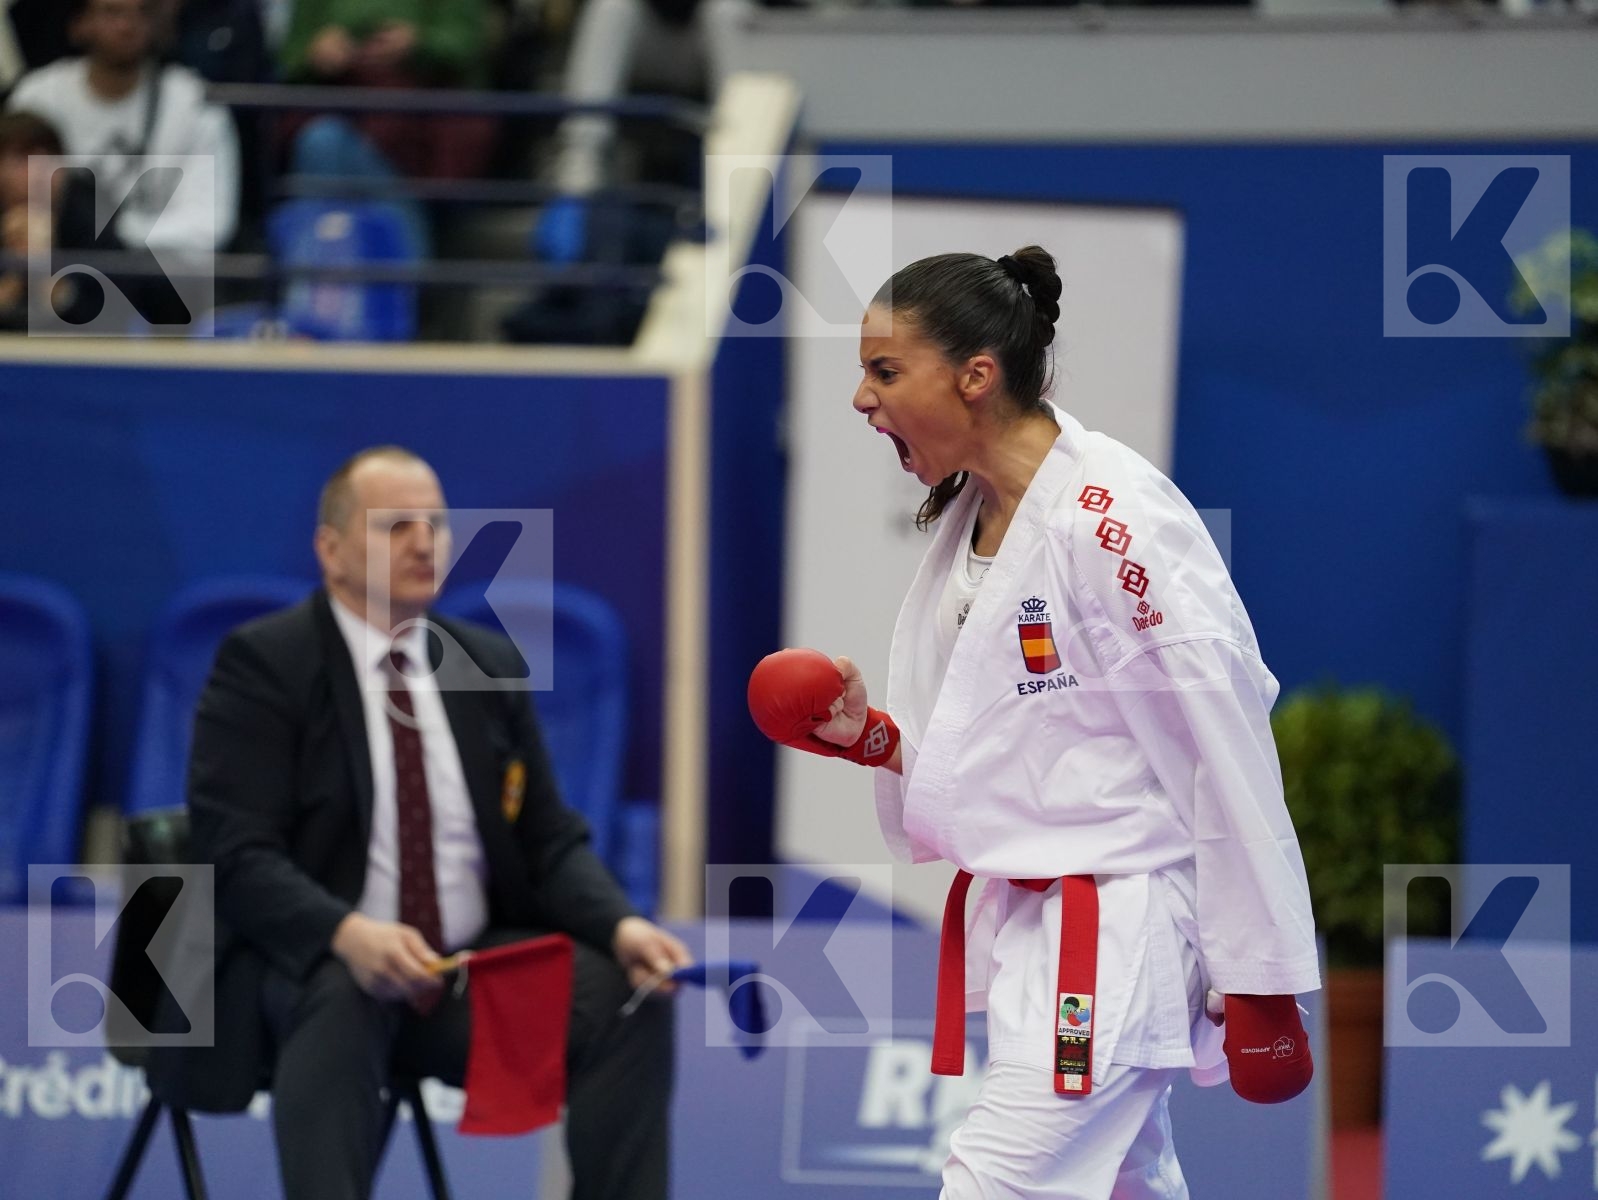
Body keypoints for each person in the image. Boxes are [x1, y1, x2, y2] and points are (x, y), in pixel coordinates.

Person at [748, 246, 1320, 1199]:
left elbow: (1223, 730)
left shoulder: (1112, 519)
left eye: (885, 371)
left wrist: (1258, 966)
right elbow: (1017, 750)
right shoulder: (975, 513)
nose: (860, 398)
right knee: (1130, 1184)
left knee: (990, 1187)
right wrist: (874, 738)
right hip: (1042, 923)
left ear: (976, 376)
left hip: (1116, 928)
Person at [150, 445, 689, 1200]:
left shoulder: (487, 664)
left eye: (434, 524)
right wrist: (348, 933)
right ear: (330, 550)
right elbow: (235, 852)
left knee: (628, 999)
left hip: (455, 976)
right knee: (343, 989)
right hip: (307, 974)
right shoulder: (266, 663)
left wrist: (622, 925)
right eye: (396, 525)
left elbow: (547, 840)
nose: (424, 542)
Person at [6, 0, 241, 254]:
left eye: (142, 12)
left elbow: (209, 225)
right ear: (79, 24)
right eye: (112, 12)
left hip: (156, 276)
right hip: (53, 261)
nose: (127, 26)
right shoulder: (38, 97)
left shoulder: (195, 105)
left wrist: (109, 234)